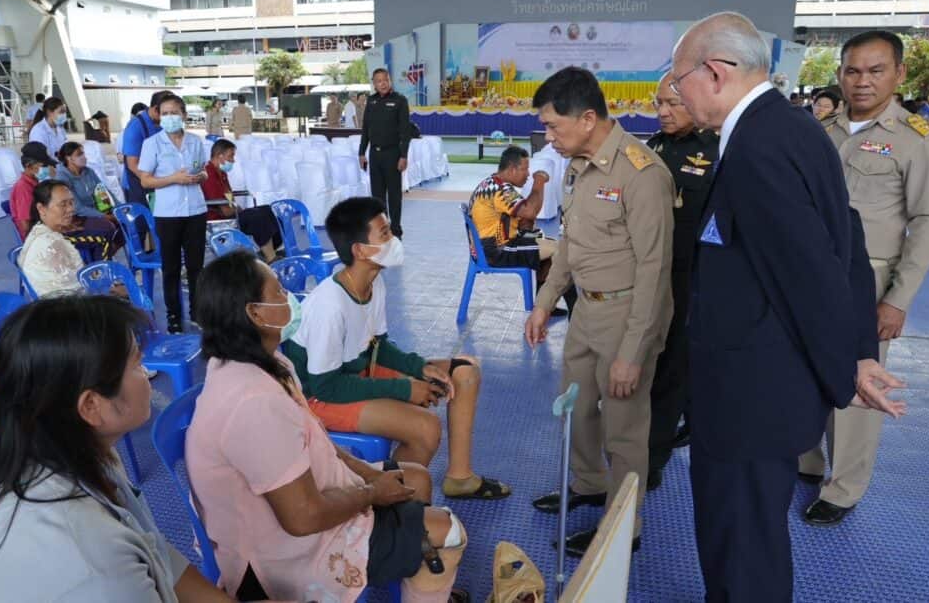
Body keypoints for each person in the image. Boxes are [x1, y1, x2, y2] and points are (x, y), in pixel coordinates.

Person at [670, 11, 905, 602]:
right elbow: (845, 238)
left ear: (716, 73)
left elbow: (809, 275)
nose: (675, 92)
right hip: (762, 391)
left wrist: (847, 370)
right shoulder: (792, 128)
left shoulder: (758, 147)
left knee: (742, 552)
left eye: (679, 80)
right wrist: (856, 348)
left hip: (750, 399)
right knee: (750, 545)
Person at [188, 251, 467, 601]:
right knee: (450, 531)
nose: (289, 298)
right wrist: (371, 493)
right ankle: (423, 569)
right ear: (255, 313)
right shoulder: (252, 402)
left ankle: (415, 571)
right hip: (279, 553)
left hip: (309, 495)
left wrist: (367, 474)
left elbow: (313, 435)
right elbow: (302, 518)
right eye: (277, 292)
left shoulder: (269, 361)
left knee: (417, 479)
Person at [0, 296, 229, 602]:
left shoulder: (68, 449)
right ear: (90, 406)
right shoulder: (92, 561)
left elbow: (152, 549)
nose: (147, 373)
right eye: (137, 364)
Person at [524, 66, 675, 557]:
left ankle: (621, 527)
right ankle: (589, 483)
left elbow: (655, 270)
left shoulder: (642, 173)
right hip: (585, 310)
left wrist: (632, 351)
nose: (549, 136)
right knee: (578, 408)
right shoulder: (577, 166)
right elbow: (570, 244)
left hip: (629, 313)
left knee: (625, 427)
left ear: (588, 118)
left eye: (553, 126)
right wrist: (545, 303)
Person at [286, 197, 510, 501]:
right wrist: (405, 389)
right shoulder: (330, 304)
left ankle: (459, 477)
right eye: (385, 234)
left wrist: (419, 368)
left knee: (463, 372)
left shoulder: (373, 282)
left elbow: (378, 346)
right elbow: (326, 387)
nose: (394, 240)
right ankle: (389, 501)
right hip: (315, 396)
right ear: (360, 251)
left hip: (355, 371)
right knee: (426, 429)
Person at [798, 30, 929, 526]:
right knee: (807, 369)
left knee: (859, 384)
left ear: (898, 74)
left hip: (870, 284)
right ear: (838, 75)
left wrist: (898, 300)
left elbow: (926, 222)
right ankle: (807, 460)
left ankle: (844, 487)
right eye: (852, 71)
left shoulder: (916, 140)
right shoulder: (822, 131)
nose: (862, 82)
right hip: (811, 278)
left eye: (876, 71)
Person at [644, 71, 720, 490]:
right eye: (658, 104)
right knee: (646, 365)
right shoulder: (650, 147)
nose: (663, 112)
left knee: (671, 366)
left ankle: (653, 456)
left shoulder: (717, 152)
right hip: (646, 274)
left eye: (673, 104)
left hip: (688, 277)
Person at [467, 145, 575, 317]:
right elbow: (530, 211)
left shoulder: (493, 184)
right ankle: (574, 310)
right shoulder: (500, 190)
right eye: (524, 169)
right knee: (561, 252)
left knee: (549, 247)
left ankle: (547, 306)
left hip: (490, 245)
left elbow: (525, 216)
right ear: (512, 169)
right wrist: (539, 182)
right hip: (496, 250)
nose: (528, 174)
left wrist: (524, 221)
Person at [137, 94, 208, 334]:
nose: (169, 117)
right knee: (171, 267)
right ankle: (174, 316)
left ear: (184, 115)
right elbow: (145, 181)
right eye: (164, 113)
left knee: (197, 266)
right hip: (168, 214)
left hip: (196, 210)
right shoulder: (152, 144)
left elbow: (203, 169)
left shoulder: (196, 141)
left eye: (174, 113)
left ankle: (198, 312)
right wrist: (173, 179)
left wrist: (201, 176)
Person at [201, 138, 284, 261]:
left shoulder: (221, 173)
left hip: (231, 212)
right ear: (220, 156)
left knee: (268, 210)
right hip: (219, 220)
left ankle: (269, 250)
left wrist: (236, 208)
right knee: (258, 218)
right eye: (231, 156)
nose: (233, 161)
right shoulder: (209, 174)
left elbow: (229, 198)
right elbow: (224, 209)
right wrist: (237, 209)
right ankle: (271, 257)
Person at [359, 68, 411, 238]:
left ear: (390, 81)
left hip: (393, 155)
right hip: (375, 155)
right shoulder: (371, 101)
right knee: (377, 197)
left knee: (395, 196)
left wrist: (403, 156)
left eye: (385, 80)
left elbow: (405, 132)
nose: (382, 83)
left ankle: (396, 231)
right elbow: (366, 129)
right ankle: (383, 230)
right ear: (374, 83)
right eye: (378, 80)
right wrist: (362, 152)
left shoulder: (400, 101)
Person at [56, 141, 123, 260]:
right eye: (79, 154)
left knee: (128, 223)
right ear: (69, 158)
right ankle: (98, 266)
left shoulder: (88, 172)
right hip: (77, 218)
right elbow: (77, 208)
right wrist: (103, 216)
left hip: (96, 212)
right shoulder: (63, 177)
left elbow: (103, 191)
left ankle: (104, 257)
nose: (84, 157)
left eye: (83, 153)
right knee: (106, 227)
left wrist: (118, 208)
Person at [121, 90, 168, 208]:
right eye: (166, 113)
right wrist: (155, 182)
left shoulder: (164, 124)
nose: (170, 117)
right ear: (156, 109)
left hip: (160, 182)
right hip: (139, 185)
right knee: (145, 223)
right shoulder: (136, 126)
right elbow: (132, 164)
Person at [9, 141, 57, 240]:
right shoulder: (23, 188)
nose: (47, 168)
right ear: (28, 166)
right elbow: (25, 223)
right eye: (43, 166)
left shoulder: (35, 182)